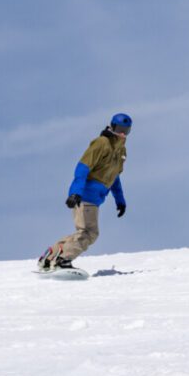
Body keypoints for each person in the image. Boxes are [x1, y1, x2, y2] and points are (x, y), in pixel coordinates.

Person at [38, 113, 131, 271]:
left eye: (126, 130)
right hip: (85, 195)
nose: (122, 133)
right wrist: (75, 192)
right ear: (112, 126)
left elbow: (114, 178)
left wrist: (120, 200)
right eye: (120, 129)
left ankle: (51, 256)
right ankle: (62, 260)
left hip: (95, 199)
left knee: (83, 232)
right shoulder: (102, 143)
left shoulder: (121, 152)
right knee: (90, 233)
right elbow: (83, 167)